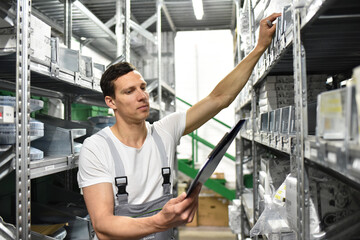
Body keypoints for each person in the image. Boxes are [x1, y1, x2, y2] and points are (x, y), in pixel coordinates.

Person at [77, 13, 281, 240]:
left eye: (143, 87)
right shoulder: (96, 148)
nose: (142, 96)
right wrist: (158, 222)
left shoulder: (165, 130)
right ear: (111, 102)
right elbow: (103, 225)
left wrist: (260, 47)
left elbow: (219, 98)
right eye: (129, 91)